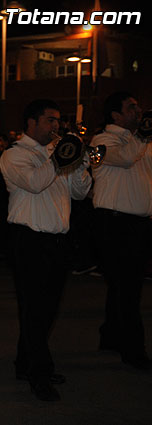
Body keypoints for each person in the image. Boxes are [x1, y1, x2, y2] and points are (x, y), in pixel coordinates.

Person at [0, 99, 92, 401]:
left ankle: (24, 363)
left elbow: (80, 192)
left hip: (57, 241)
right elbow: (36, 182)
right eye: (50, 121)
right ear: (31, 123)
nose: (56, 126)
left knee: (46, 310)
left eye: (57, 121)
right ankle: (39, 374)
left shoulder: (55, 155)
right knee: (34, 311)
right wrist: (62, 153)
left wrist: (81, 164)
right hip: (29, 240)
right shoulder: (14, 154)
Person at [90, 91, 151, 370]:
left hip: (138, 223)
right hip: (115, 223)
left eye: (138, 107)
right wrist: (143, 136)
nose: (138, 111)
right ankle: (133, 350)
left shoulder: (141, 141)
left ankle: (111, 337)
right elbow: (126, 159)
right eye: (131, 107)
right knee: (128, 288)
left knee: (123, 286)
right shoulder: (102, 141)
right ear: (115, 115)